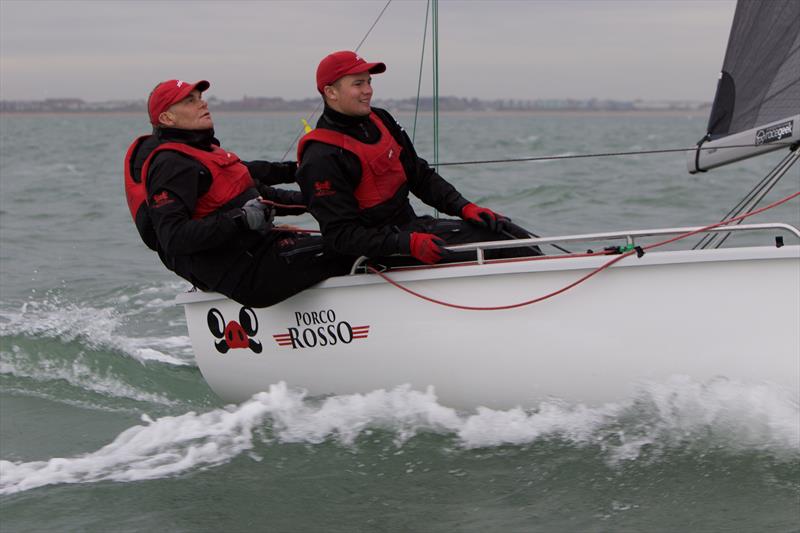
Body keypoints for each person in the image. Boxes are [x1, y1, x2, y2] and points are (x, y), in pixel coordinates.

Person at [296, 50, 540, 266]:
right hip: (379, 254)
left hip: (412, 230)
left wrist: (464, 207)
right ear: (331, 92)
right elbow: (340, 237)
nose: (368, 90)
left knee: (507, 232)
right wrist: (404, 243)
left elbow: (419, 175)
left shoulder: (380, 120)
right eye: (358, 84)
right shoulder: (321, 155)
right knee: (501, 245)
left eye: (369, 82)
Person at [124, 79, 351, 307]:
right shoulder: (171, 164)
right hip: (245, 274)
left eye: (201, 98)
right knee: (352, 248)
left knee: (353, 240)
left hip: (259, 251)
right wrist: (241, 219)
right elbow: (173, 237)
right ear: (167, 118)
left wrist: (323, 198)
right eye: (190, 101)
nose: (203, 104)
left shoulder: (204, 152)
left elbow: (263, 196)